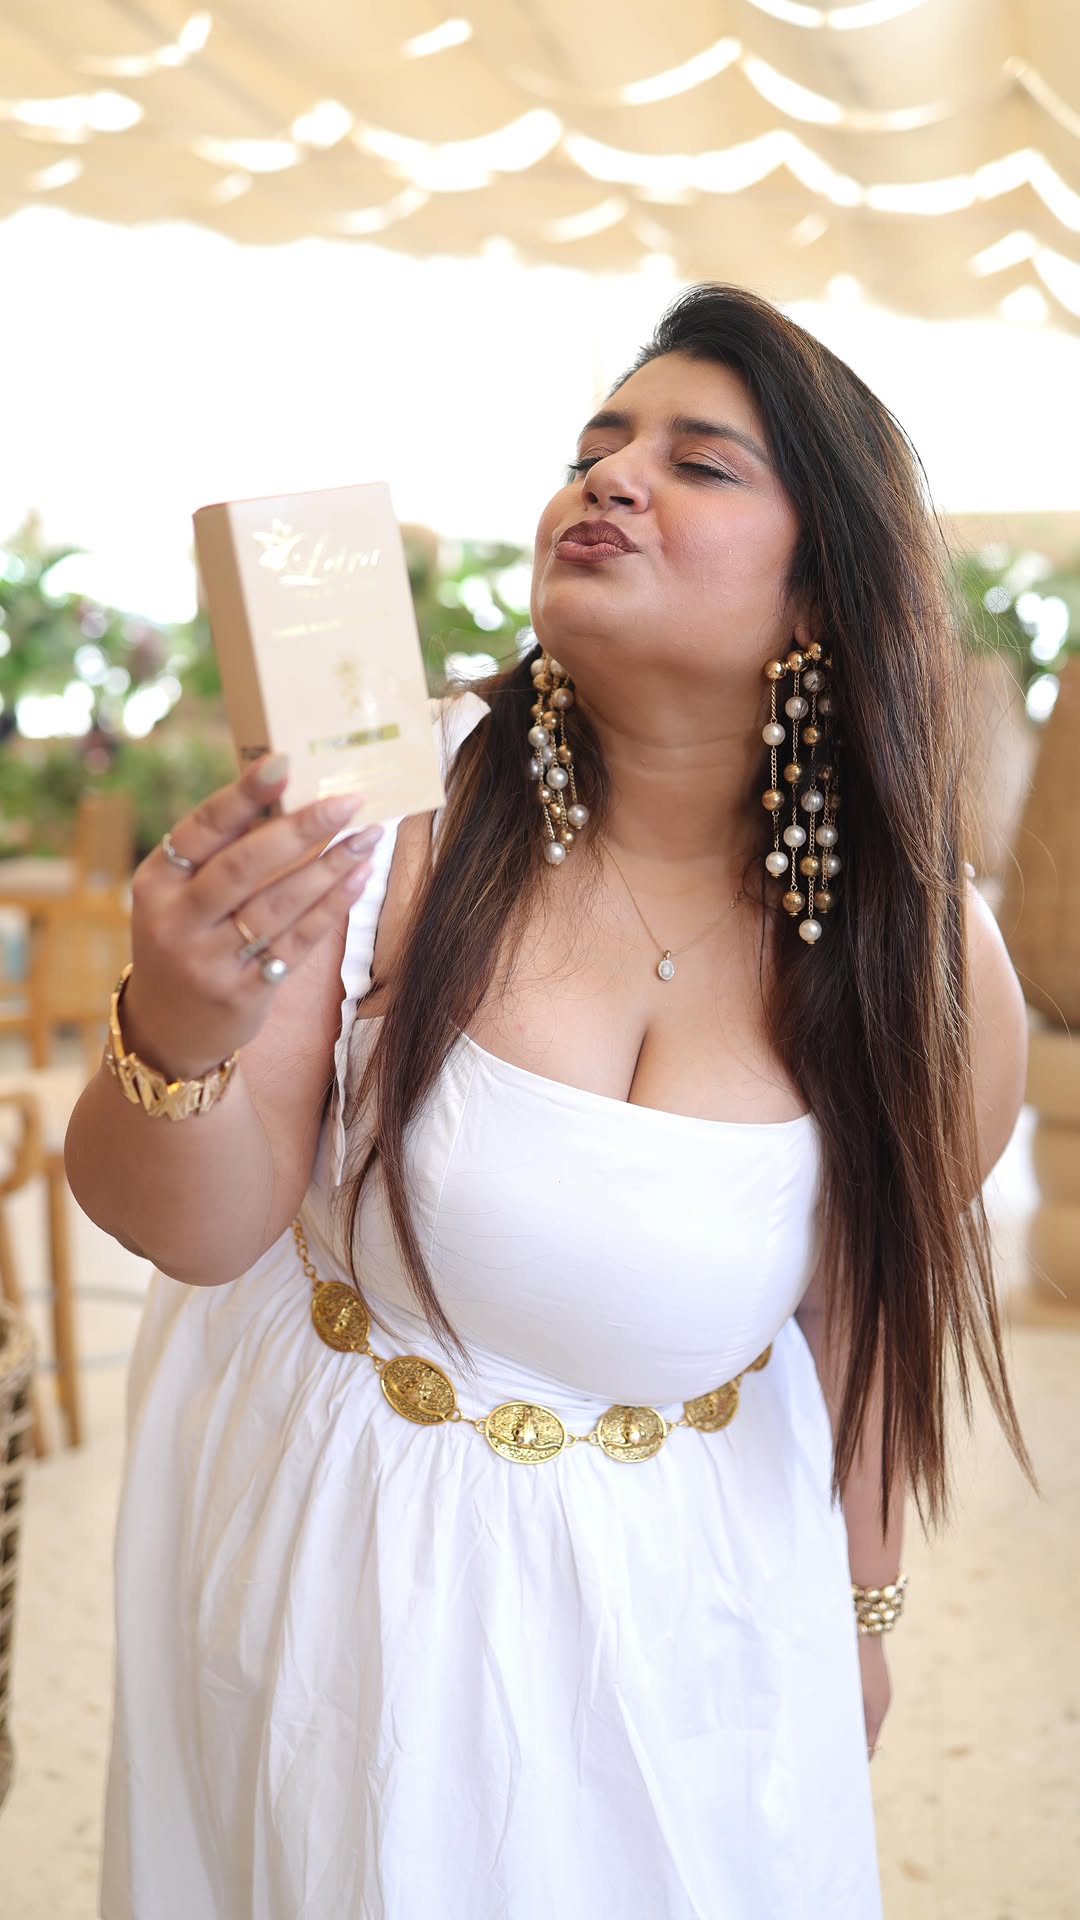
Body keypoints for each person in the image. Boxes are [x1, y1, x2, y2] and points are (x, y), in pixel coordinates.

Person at [67, 283, 1035, 1920]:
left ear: (821, 595)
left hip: (702, 1604)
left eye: (698, 462)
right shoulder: (391, 804)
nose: (610, 477)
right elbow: (196, 1229)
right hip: (353, 1570)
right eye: (597, 446)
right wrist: (180, 1023)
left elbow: (862, 1319)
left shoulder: (924, 962)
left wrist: (862, 1615)